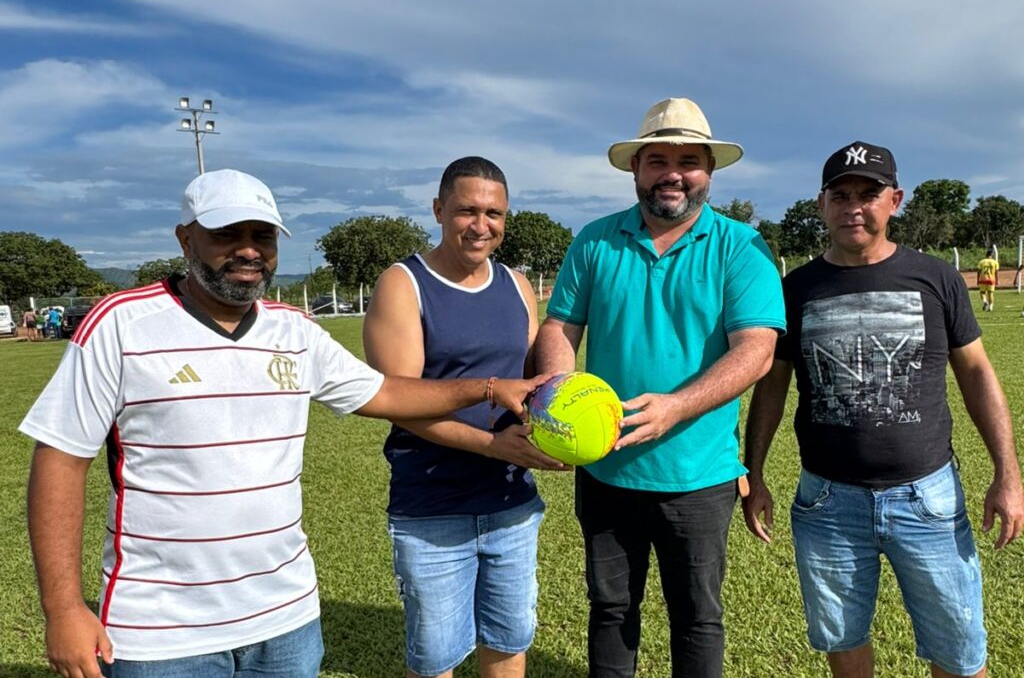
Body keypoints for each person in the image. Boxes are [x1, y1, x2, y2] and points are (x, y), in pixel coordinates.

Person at [20, 168, 546, 678]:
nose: (248, 250)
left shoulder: (295, 330)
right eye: (227, 233)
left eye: (263, 235)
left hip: (286, 616)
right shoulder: (120, 323)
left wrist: (490, 388)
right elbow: (60, 461)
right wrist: (64, 609)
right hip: (160, 629)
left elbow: (385, 391)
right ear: (186, 239)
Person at [742, 141, 1024, 678]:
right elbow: (772, 388)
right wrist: (754, 474)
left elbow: (978, 374)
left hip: (928, 498)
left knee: (961, 654)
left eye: (868, 194)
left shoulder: (936, 278)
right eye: (840, 194)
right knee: (843, 643)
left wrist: (1007, 475)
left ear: (894, 200)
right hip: (827, 501)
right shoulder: (795, 289)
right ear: (821, 203)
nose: (854, 206)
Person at [535, 97, 786, 678]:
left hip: (699, 475)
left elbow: (757, 350)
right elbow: (559, 326)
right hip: (604, 466)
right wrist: (557, 386)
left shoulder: (742, 247)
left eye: (689, 160)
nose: (673, 173)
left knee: (697, 616)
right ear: (636, 169)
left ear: (709, 172)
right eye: (658, 159)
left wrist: (676, 407)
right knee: (611, 608)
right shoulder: (595, 242)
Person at [364, 156, 567, 678]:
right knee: (436, 659)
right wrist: (492, 443)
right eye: (466, 211)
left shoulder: (518, 286)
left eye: (494, 213)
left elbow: (532, 393)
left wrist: (568, 428)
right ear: (438, 209)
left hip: (512, 503)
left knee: (508, 641)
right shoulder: (402, 284)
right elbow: (396, 401)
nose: (481, 226)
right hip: (433, 509)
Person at [976, 246, 999, 311]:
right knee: (990, 293)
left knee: (982, 292)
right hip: (991, 279)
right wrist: (997, 280)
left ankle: (985, 301)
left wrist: (977, 280)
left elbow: (978, 271)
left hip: (983, 279)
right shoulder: (995, 262)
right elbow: (996, 272)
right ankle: (991, 306)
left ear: (986, 255)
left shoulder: (982, 262)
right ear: (991, 255)